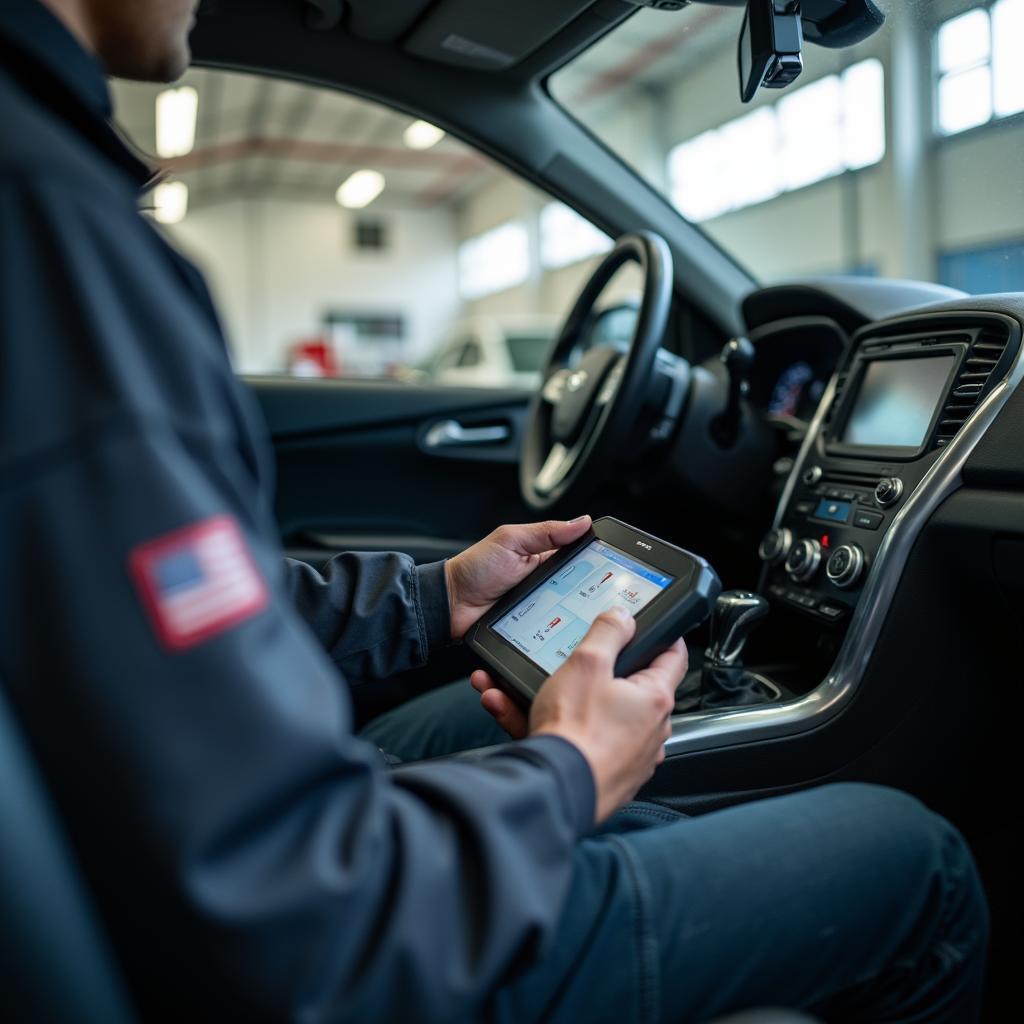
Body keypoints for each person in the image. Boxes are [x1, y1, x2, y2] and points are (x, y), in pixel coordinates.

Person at [0, 1, 989, 1021]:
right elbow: (308, 915)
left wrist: (434, 599)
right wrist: (571, 769)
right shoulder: (46, 214)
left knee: (490, 743)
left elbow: (155, 611)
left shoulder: (42, 181)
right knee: (914, 857)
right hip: (333, 947)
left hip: (207, 880)